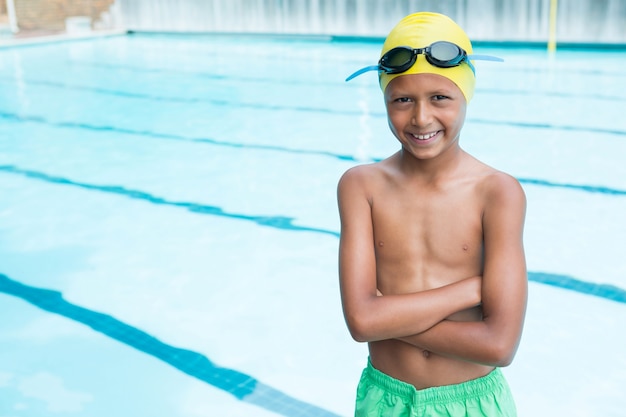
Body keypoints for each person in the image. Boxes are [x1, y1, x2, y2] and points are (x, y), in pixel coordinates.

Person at [337, 12, 527, 417]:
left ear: (466, 96)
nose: (421, 118)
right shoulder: (360, 187)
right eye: (402, 99)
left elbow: (500, 345)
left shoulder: (497, 192)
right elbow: (361, 323)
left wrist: (389, 317)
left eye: (440, 97)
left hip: (473, 402)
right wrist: (469, 291)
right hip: (384, 399)